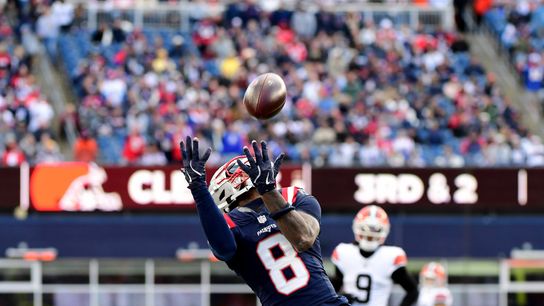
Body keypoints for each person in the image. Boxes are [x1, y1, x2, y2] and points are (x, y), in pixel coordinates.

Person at [179, 136, 349, 306]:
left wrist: (268, 191)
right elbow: (223, 249)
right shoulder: (230, 223)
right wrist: (198, 189)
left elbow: (304, 238)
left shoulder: (293, 196)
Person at [331, 205, 419, 306]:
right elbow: (333, 289)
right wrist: (340, 298)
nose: (370, 233)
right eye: (366, 228)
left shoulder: (390, 256)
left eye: (375, 229)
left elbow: (412, 291)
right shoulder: (344, 252)